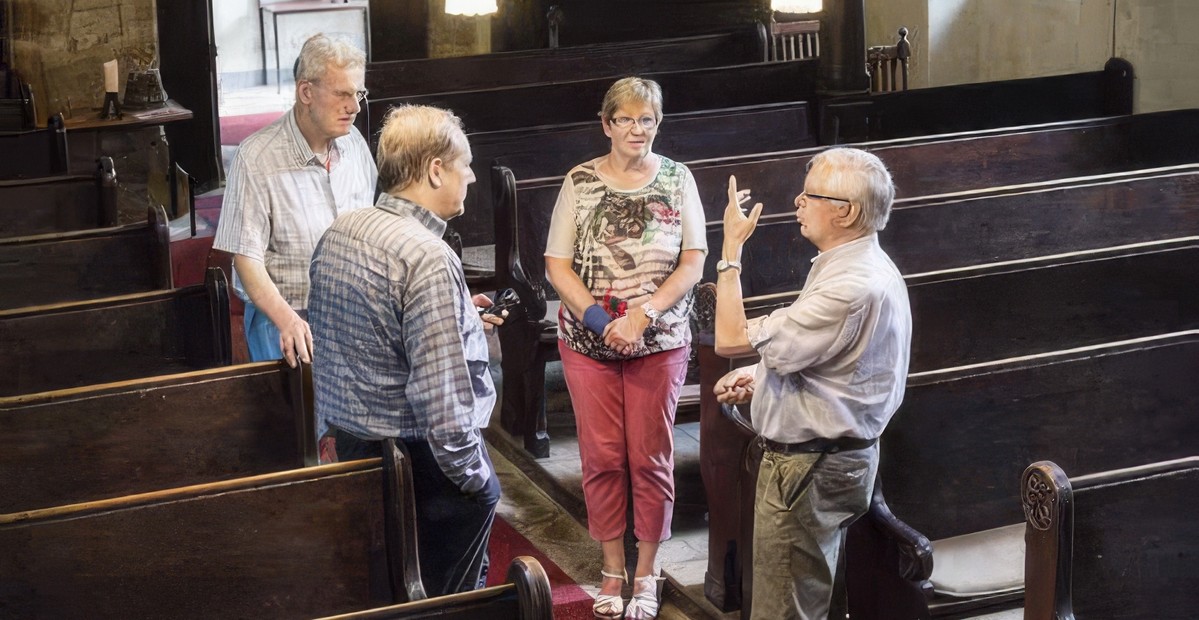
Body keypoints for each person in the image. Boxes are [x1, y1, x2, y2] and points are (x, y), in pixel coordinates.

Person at [307, 104, 503, 596]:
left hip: (351, 447)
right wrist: (477, 480)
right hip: (419, 465)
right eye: (465, 165)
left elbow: (356, 340)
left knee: (382, 591)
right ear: (436, 169)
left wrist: (458, 319)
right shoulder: (427, 256)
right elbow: (441, 400)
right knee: (447, 602)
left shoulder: (342, 230)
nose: (472, 177)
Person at [713, 148, 912, 620]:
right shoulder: (859, 266)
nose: (798, 201)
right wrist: (762, 376)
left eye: (810, 194)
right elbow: (838, 363)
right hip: (833, 460)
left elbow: (728, 339)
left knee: (785, 612)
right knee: (808, 601)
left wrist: (730, 252)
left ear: (845, 211)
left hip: (808, 471)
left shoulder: (851, 284)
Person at [544, 77, 707, 620]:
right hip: (587, 342)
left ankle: (648, 573)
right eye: (626, 119)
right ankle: (612, 567)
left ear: (658, 123)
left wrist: (643, 314)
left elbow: (692, 261)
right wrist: (599, 318)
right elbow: (557, 265)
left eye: (647, 119)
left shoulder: (679, 179)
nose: (637, 129)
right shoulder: (581, 180)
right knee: (604, 456)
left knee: (651, 457)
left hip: (658, 340)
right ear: (606, 123)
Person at [214, 33, 377, 368]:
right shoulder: (256, 157)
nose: (355, 106)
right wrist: (287, 319)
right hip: (284, 317)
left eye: (358, 93)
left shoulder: (355, 144)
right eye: (342, 94)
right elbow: (246, 259)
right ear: (306, 92)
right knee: (296, 418)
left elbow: (375, 229)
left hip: (352, 314)